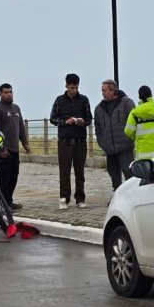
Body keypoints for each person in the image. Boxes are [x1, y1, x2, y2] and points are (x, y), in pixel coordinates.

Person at [50, 73, 92, 210]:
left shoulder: (84, 100)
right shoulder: (59, 100)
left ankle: (80, 198)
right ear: (66, 86)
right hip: (65, 141)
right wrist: (65, 122)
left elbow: (89, 119)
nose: (74, 90)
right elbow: (52, 119)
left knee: (80, 171)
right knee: (64, 171)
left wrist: (82, 122)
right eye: (71, 87)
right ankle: (64, 198)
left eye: (76, 87)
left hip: (80, 140)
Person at [0, 83, 31, 210]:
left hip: (15, 149)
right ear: (0, 94)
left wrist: (25, 143)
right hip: (4, 151)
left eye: (10, 92)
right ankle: (3, 203)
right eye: (5, 92)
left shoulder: (16, 108)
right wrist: (1, 149)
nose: (8, 94)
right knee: (4, 178)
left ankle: (9, 201)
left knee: (14, 176)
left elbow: (21, 127)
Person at [94, 79, 135, 190]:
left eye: (105, 90)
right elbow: (98, 129)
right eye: (102, 90)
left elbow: (134, 122)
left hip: (125, 147)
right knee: (114, 176)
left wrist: (129, 140)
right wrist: (103, 144)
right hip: (109, 149)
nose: (103, 93)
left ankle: (132, 196)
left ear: (113, 91)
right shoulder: (98, 108)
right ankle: (118, 198)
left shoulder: (127, 103)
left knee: (129, 174)